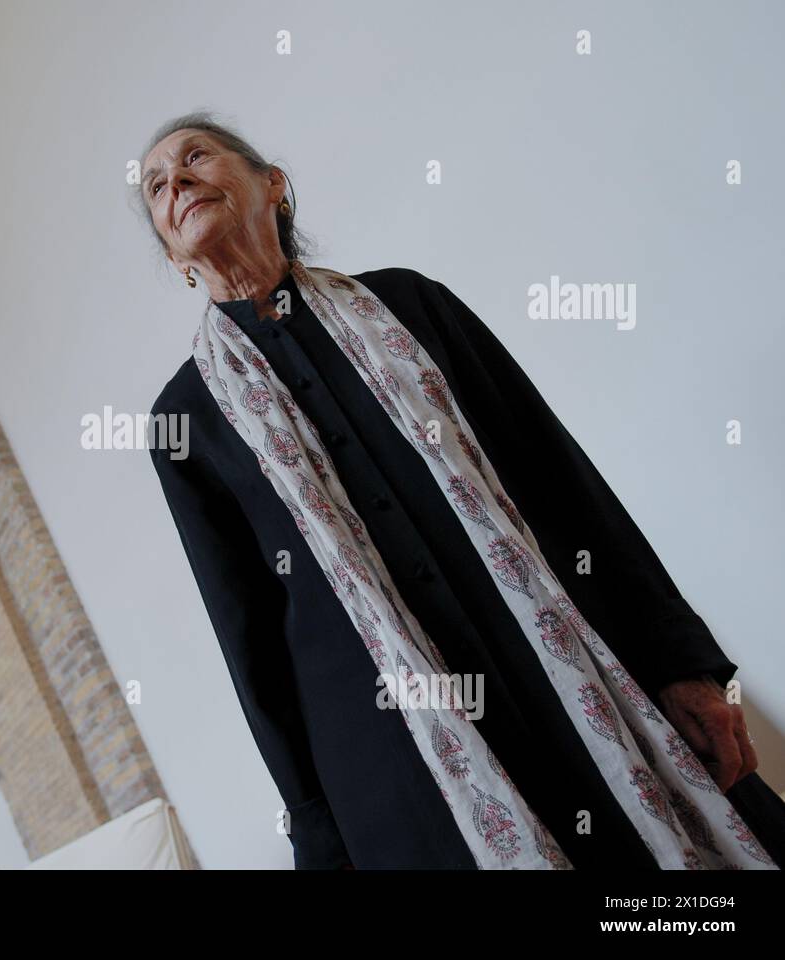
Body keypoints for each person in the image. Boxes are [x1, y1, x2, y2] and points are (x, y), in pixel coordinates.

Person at [139, 111, 785, 869]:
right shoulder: (185, 420)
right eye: (155, 186)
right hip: (402, 762)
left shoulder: (411, 305)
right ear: (172, 251)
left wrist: (683, 661)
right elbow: (246, 634)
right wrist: (317, 825)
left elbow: (562, 479)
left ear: (272, 185)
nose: (175, 182)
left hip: (578, 682)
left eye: (196, 159)